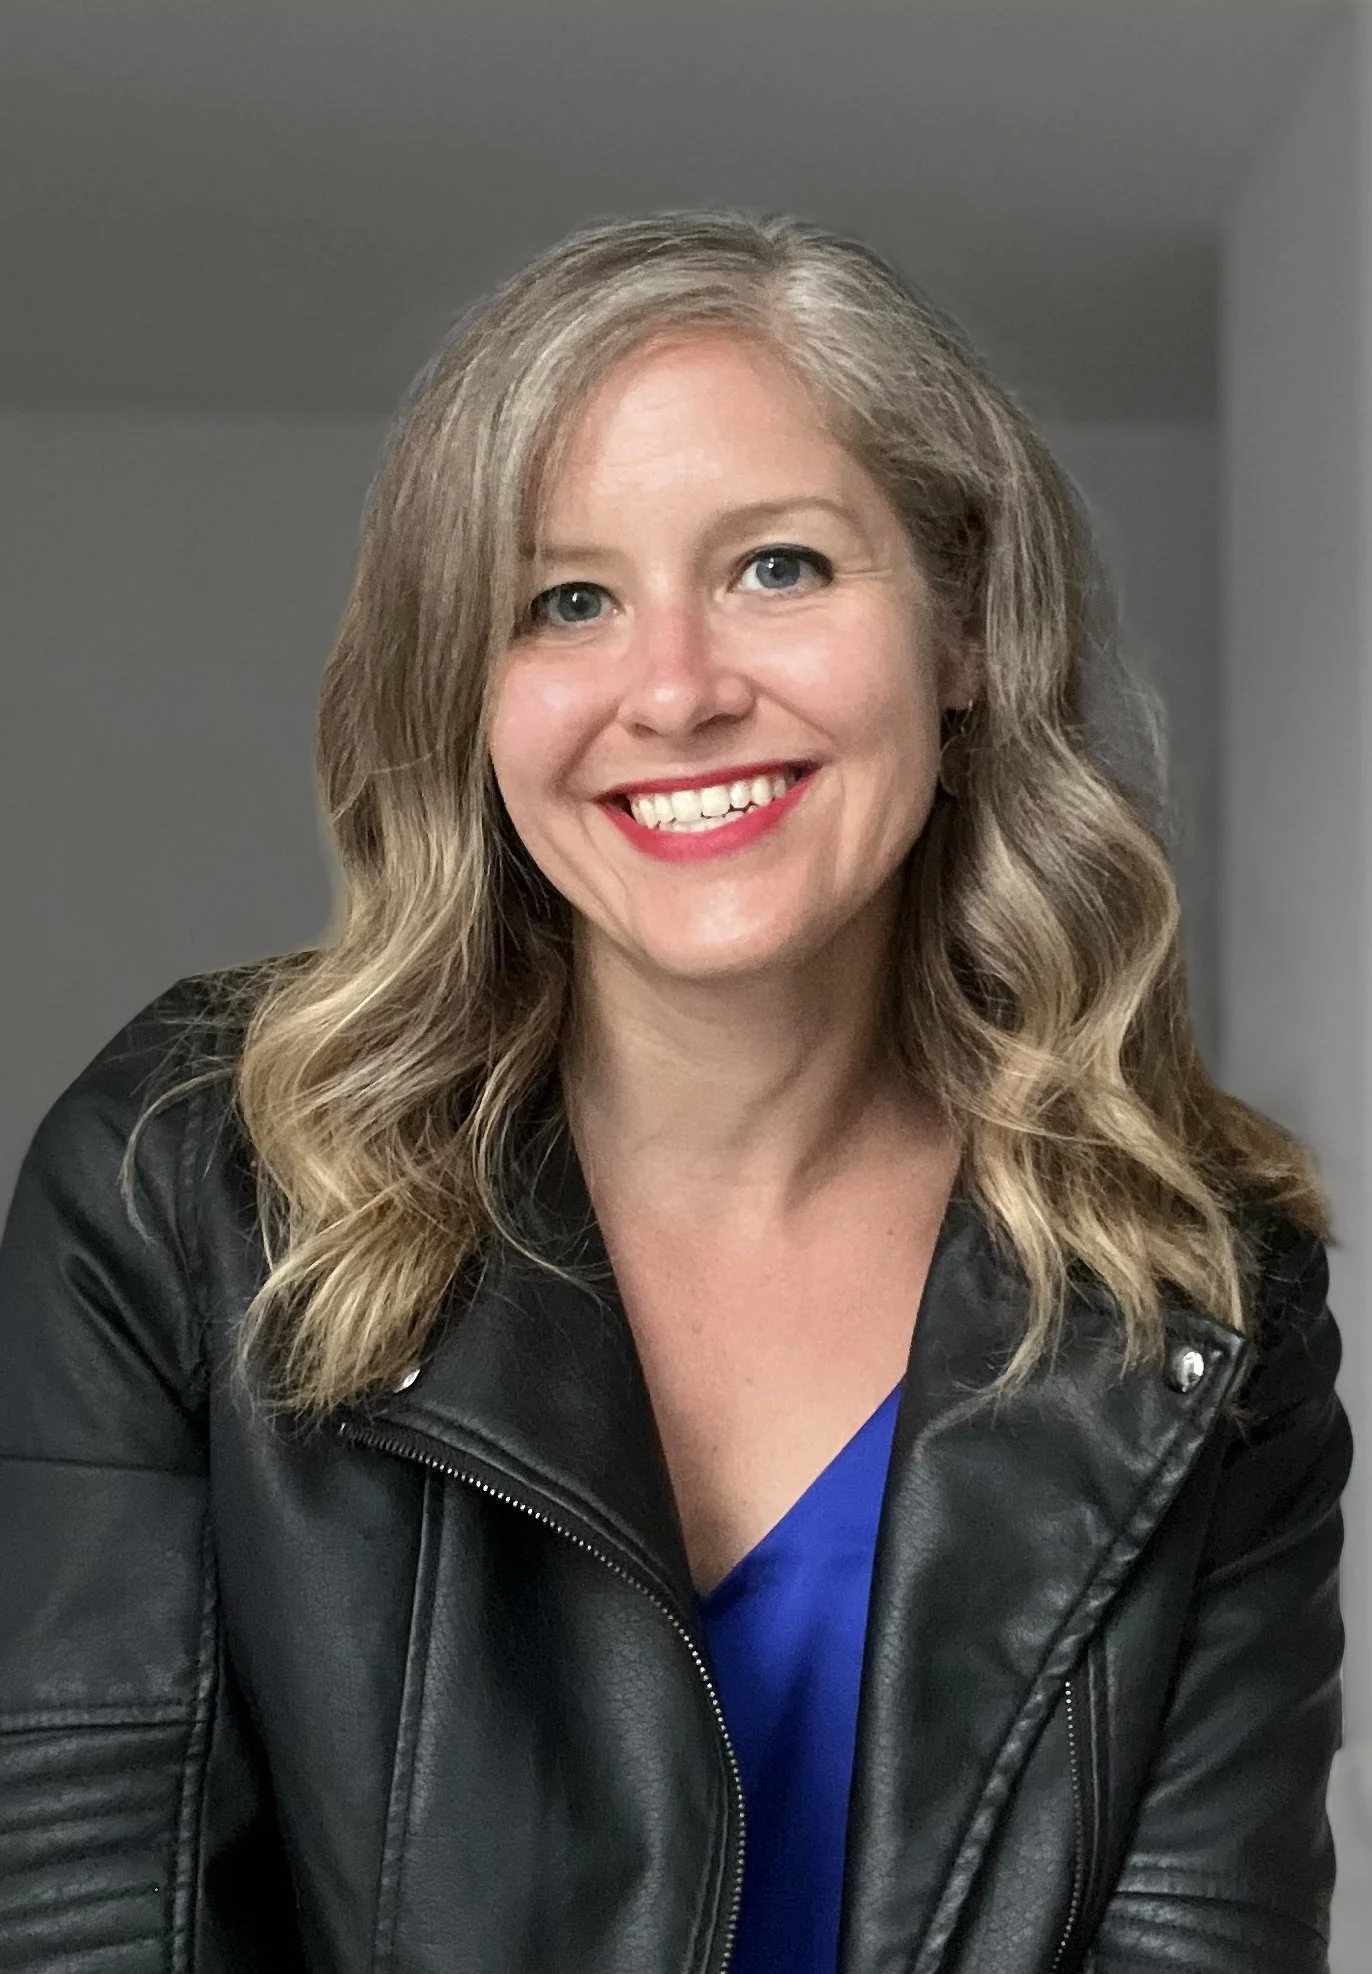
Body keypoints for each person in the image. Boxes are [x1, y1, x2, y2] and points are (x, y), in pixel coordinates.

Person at [0, 208, 1352, 1974]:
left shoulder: (1199, 1295)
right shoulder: (182, 1184)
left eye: (778, 566)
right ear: (468, 697)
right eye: (564, 600)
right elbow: (82, 1915)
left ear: (960, 630)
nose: (680, 689)